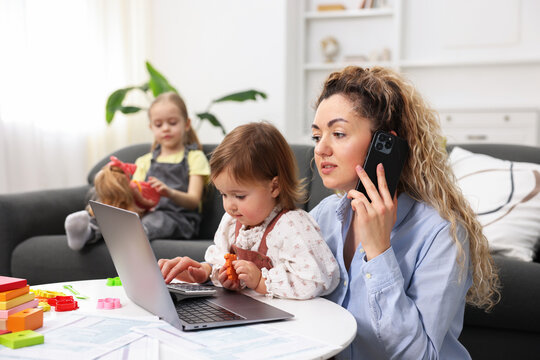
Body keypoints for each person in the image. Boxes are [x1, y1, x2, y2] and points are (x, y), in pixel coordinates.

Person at [309, 66, 500, 359]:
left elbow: (419, 356)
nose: (321, 149)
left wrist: (378, 251)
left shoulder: (441, 233)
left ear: (384, 145)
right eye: (316, 136)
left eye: (338, 133)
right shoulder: (324, 216)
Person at [158, 122, 339, 300]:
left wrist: (261, 280)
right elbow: (220, 262)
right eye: (224, 194)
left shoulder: (291, 226)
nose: (230, 206)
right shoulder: (232, 221)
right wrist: (207, 273)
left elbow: (316, 280)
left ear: (274, 187)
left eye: (239, 196)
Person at [64, 91, 210, 250]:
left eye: (173, 123)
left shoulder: (195, 157)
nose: (166, 128)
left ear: (187, 124)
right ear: (151, 127)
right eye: (159, 124)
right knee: (120, 216)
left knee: (156, 219)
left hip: (179, 219)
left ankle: (133, 234)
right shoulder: (144, 161)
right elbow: (135, 196)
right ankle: (87, 232)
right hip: (146, 213)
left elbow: (193, 200)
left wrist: (169, 192)